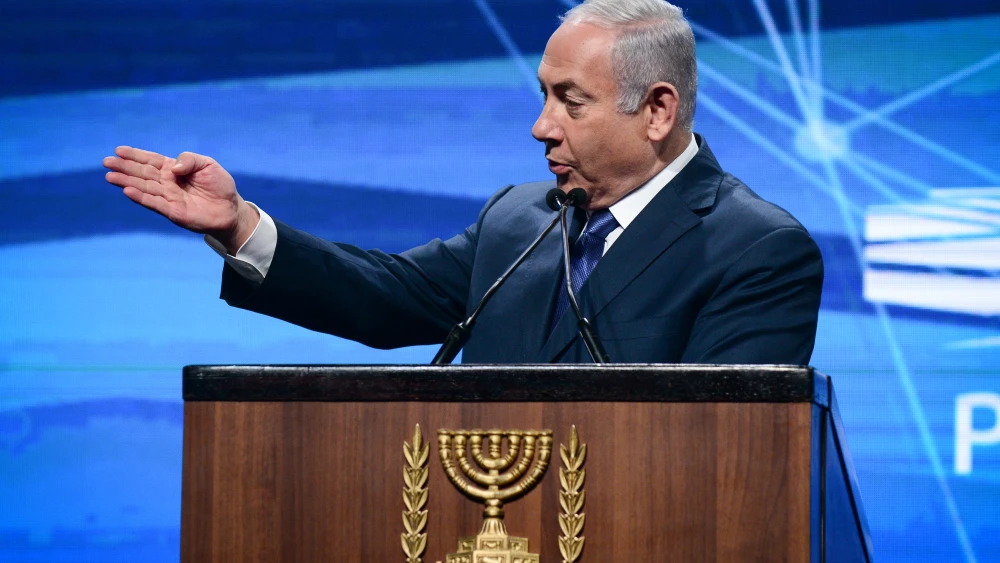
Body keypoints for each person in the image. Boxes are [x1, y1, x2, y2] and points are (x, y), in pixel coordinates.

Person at [103, 0, 823, 364]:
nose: (541, 127)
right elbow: (381, 296)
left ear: (657, 110)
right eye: (542, 96)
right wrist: (238, 226)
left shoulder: (756, 249)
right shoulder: (519, 219)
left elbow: (729, 457)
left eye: (569, 101)